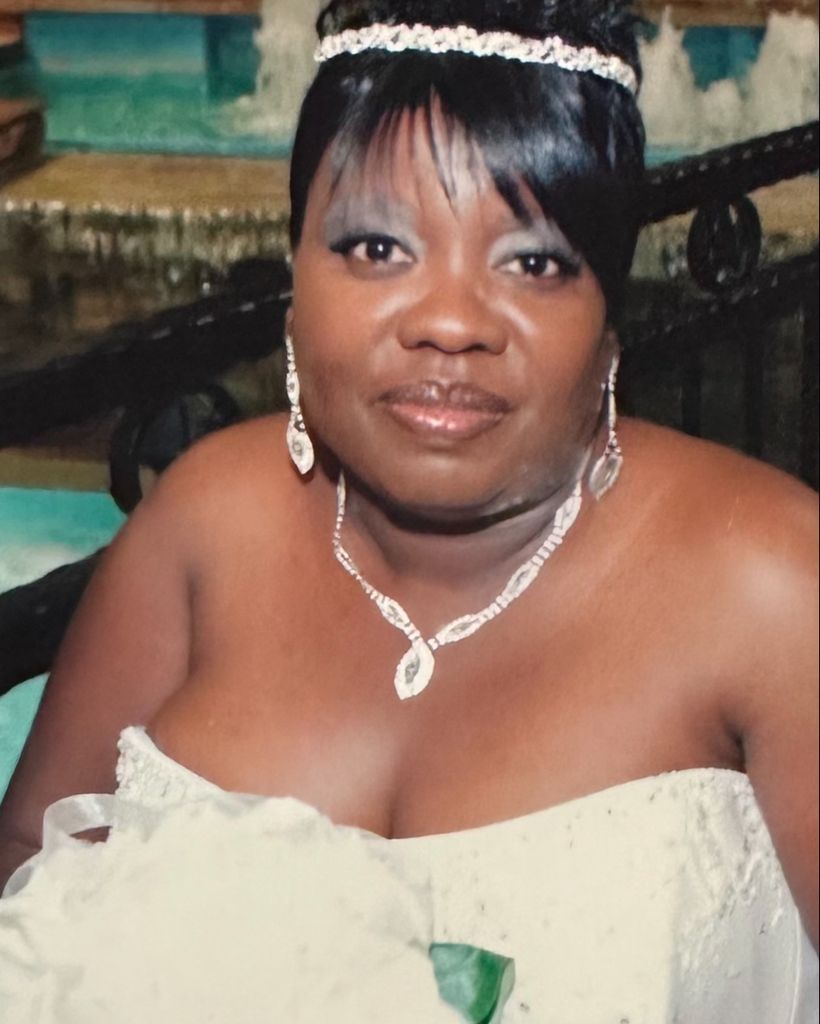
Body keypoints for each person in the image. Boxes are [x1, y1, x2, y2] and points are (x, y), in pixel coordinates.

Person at [1, 1, 817, 1019]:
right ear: (294, 282)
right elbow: (31, 860)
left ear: (608, 322)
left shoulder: (772, 585)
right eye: (377, 247)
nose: (449, 321)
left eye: (534, 262)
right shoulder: (202, 523)